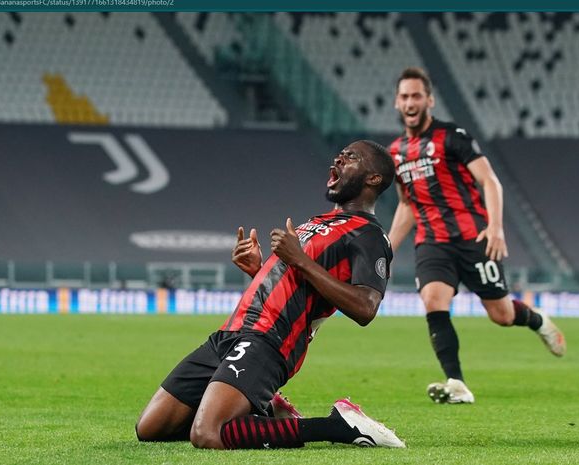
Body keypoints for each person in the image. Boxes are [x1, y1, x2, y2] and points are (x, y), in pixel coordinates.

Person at [135, 140, 405, 449]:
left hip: (270, 341)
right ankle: (267, 413)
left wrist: (300, 260)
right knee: (151, 428)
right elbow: (296, 284)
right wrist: (258, 269)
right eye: (340, 155)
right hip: (231, 332)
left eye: (351, 157)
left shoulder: (369, 235)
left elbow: (365, 307)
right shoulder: (318, 223)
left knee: (208, 434)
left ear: (373, 179)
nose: (340, 159)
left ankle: (337, 426)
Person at [387, 67, 566, 404]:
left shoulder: (453, 136)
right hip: (432, 242)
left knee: (502, 315)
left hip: (472, 239)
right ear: (397, 102)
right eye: (404, 96)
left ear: (429, 100)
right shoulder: (395, 152)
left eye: (416, 96)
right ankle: (457, 383)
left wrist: (495, 226)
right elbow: (407, 204)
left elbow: (490, 181)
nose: (410, 102)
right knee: (433, 301)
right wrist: (388, 247)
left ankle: (537, 320)